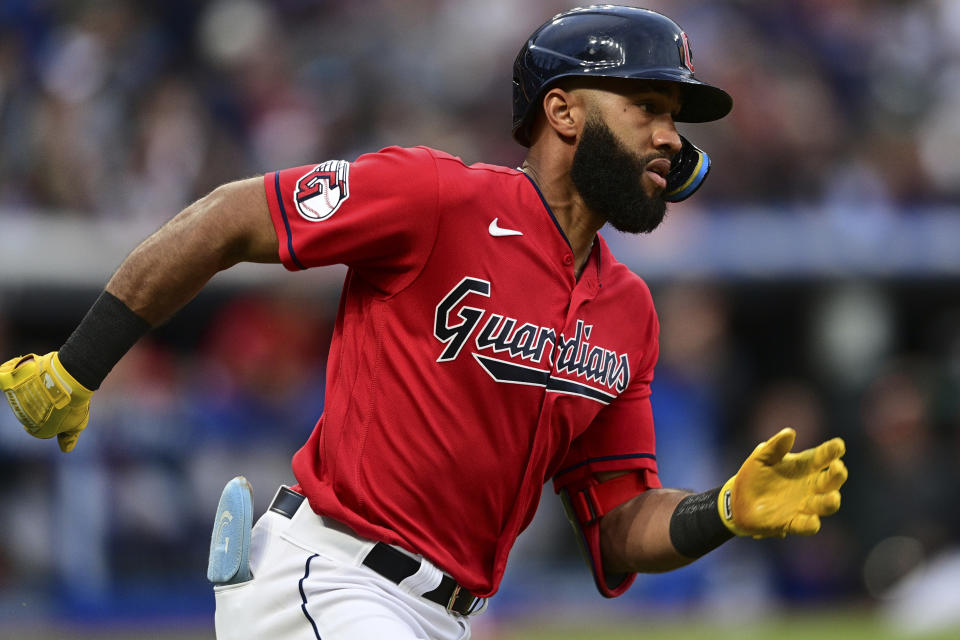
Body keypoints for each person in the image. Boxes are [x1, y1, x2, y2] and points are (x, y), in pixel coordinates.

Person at [0, 6, 848, 640]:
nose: (671, 137)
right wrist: (77, 367)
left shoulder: (629, 313)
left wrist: (725, 509)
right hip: (328, 580)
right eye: (648, 107)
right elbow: (231, 217)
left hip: (442, 617)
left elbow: (620, 529)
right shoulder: (436, 197)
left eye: (675, 117)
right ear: (563, 114)